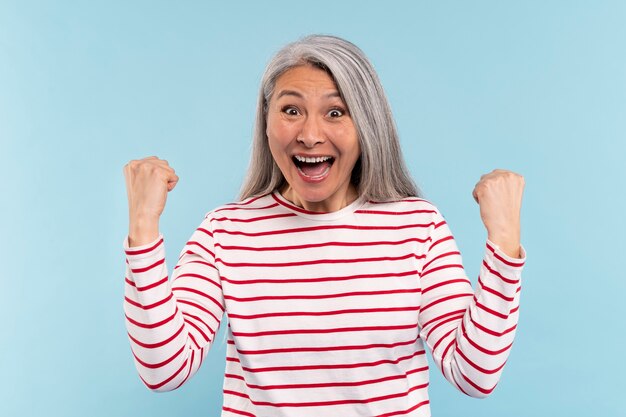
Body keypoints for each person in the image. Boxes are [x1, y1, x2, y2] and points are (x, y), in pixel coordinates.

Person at [122, 35, 526, 417]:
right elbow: (165, 370)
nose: (310, 135)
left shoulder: (418, 228)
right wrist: (143, 229)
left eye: (336, 112)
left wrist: (504, 245)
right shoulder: (225, 232)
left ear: (367, 124)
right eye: (291, 110)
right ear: (266, 121)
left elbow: (475, 374)